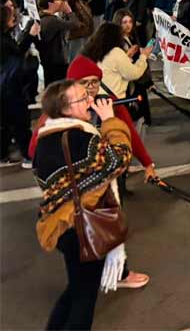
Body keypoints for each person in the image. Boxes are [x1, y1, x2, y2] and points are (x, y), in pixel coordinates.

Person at [33, 81, 133, 330]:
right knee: (83, 300)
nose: (91, 100)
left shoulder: (45, 139)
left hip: (62, 227)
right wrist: (110, 121)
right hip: (85, 227)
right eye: (82, 98)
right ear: (64, 108)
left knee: (76, 288)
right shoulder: (81, 139)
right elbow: (119, 159)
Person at [1, 5, 40, 166]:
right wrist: (30, 36)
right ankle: (28, 156)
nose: (14, 18)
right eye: (11, 16)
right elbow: (17, 55)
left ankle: (4, 154)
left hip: (6, 87)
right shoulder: (4, 41)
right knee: (20, 124)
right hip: (10, 88)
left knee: (6, 124)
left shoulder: (5, 37)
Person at [83, 23, 152, 101]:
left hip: (96, 97)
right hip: (112, 99)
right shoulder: (116, 52)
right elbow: (134, 73)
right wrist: (143, 57)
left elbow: (112, 66)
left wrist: (127, 56)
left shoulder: (94, 51)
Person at [37, 0, 81, 85]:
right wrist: (69, 11)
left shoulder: (42, 17)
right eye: (57, 0)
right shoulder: (52, 20)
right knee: (58, 87)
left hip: (47, 59)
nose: (61, 1)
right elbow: (75, 24)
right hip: (56, 60)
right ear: (50, 4)